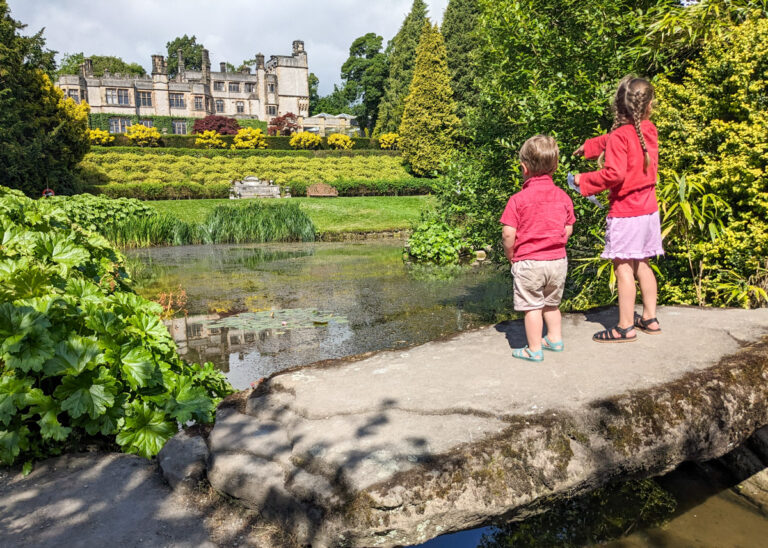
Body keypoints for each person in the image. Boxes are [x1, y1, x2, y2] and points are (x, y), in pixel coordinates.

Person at [573, 76, 663, 343]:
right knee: (643, 263)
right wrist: (591, 146)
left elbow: (614, 174)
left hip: (626, 213)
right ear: (648, 106)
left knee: (623, 267)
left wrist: (583, 180)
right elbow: (621, 138)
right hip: (649, 211)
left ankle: (625, 327)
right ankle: (650, 318)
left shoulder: (619, 136)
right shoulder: (649, 129)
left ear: (618, 106)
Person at [500, 135, 575, 362]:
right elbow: (568, 227)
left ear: (524, 168)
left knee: (532, 306)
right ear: (556, 166)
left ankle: (533, 349)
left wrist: (511, 255)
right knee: (552, 304)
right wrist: (557, 241)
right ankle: (554, 339)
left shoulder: (518, 200)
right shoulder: (563, 197)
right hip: (557, 260)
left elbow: (508, 234)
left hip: (529, 262)